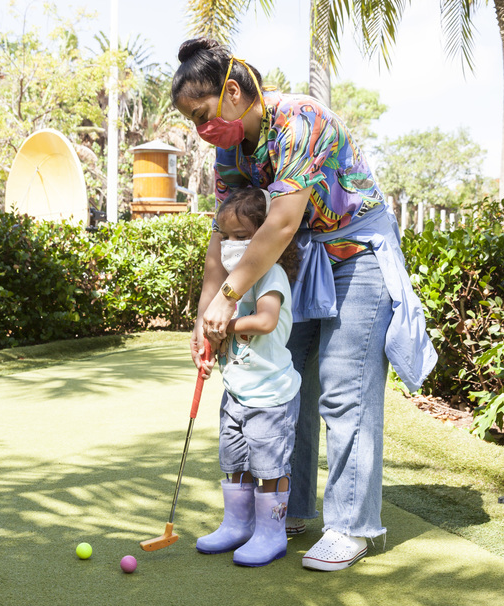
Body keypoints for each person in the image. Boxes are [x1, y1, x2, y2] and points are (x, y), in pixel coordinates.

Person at [173, 38, 437, 572]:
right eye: (192, 122)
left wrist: (230, 298)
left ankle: (350, 526)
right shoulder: (231, 150)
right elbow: (224, 235)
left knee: (344, 391)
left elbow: (283, 221)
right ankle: (285, 514)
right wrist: (206, 312)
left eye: (203, 115)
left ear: (232, 91)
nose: (203, 131)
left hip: (354, 253)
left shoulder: (300, 120)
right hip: (298, 259)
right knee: (283, 381)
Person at [196, 186, 301, 568]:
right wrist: (209, 348)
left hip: (271, 397)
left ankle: (270, 533)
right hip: (237, 393)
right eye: (226, 236)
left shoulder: (269, 274)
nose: (231, 245)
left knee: (270, 467)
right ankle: (237, 525)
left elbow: (266, 320)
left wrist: (227, 321)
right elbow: (218, 331)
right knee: (234, 458)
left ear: (263, 236)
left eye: (243, 237)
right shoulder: (229, 282)